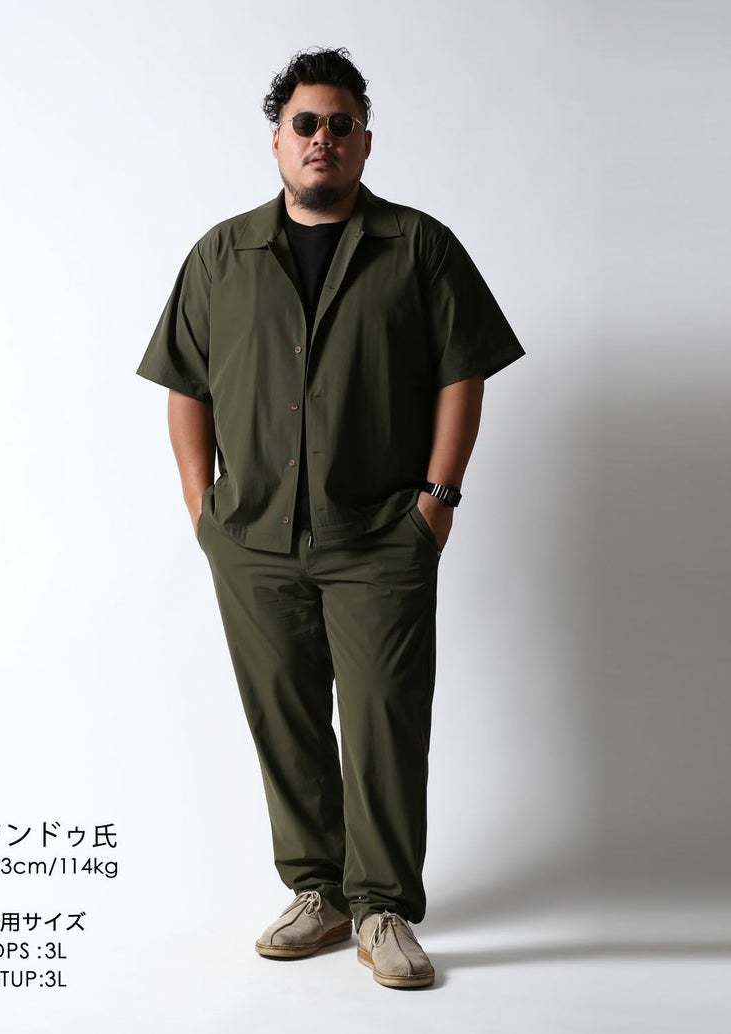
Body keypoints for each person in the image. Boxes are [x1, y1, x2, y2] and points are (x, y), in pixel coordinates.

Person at [137, 47, 524, 989]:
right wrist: (200, 504)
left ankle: (382, 905)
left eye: (340, 124)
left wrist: (436, 501)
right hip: (253, 537)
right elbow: (187, 381)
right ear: (278, 140)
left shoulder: (418, 246)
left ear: (364, 141)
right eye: (304, 123)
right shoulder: (221, 255)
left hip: (380, 535)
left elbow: (462, 371)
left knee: (386, 717)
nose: (322, 138)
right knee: (287, 719)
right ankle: (319, 892)